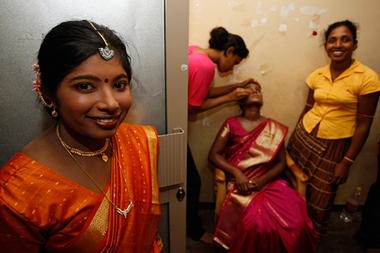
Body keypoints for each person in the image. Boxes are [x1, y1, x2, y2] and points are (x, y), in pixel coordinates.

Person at [0, 20, 161, 252]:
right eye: (85, 86)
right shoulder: (17, 192)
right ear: (48, 92)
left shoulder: (137, 141)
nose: (111, 103)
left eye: (119, 84)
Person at [287, 20, 380, 237]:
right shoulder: (318, 74)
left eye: (345, 39)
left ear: (354, 44)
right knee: (293, 186)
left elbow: (364, 124)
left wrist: (346, 162)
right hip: (304, 138)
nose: (338, 45)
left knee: (320, 200)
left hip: (335, 145)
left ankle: (310, 240)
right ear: (326, 45)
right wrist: (294, 138)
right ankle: (290, 234)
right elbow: (308, 108)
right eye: (332, 40)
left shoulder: (368, 78)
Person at [209, 82, 318, 252]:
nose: (255, 91)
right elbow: (214, 154)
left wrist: (262, 181)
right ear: (241, 100)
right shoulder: (231, 123)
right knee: (256, 225)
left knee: (297, 223)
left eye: (258, 90)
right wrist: (236, 173)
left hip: (269, 182)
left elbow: (282, 162)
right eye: (250, 89)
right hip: (241, 184)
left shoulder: (274, 127)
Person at [187, 26, 253, 243]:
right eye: (235, 62)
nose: (232, 68)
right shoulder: (205, 66)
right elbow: (193, 106)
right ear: (230, 50)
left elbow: (202, 92)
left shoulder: (196, 52)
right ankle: (193, 230)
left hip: (168, 119)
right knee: (193, 182)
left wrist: (237, 87)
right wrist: (230, 97)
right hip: (172, 123)